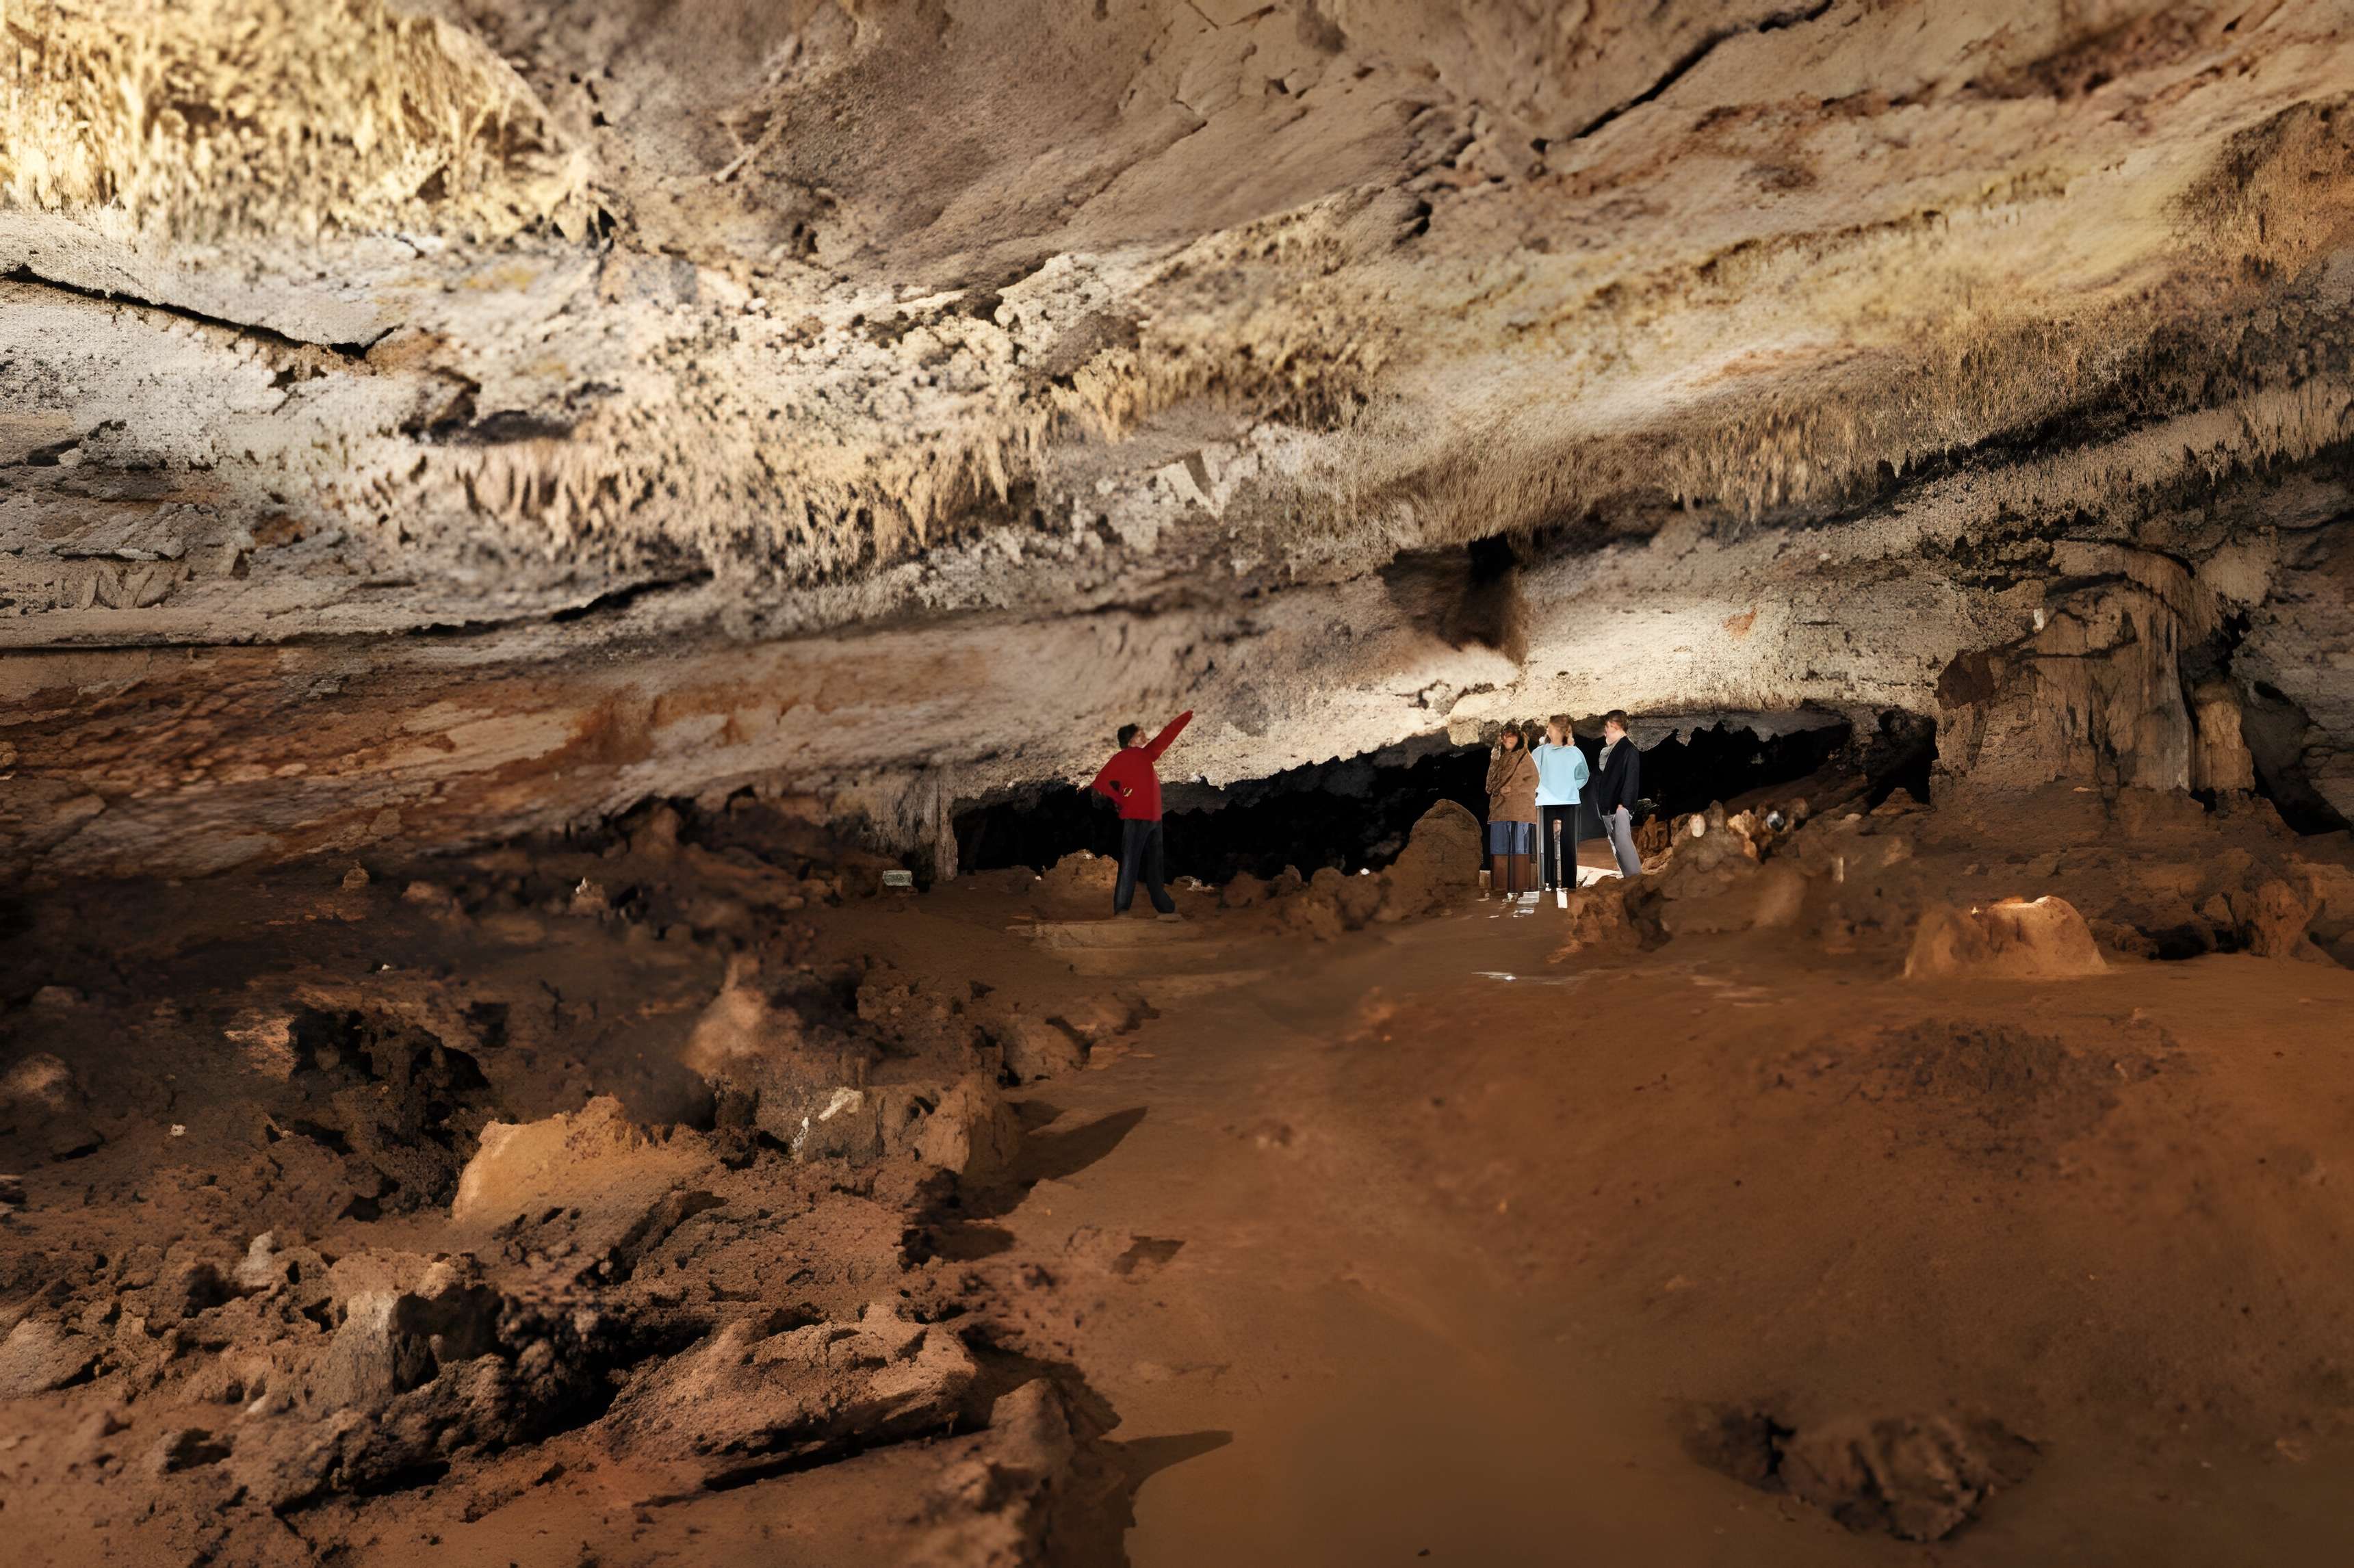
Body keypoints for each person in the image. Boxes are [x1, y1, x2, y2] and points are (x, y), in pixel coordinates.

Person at [1088, 710, 1192, 919]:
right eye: (1140, 734)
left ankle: (1165, 909)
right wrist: (1122, 799)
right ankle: (1122, 910)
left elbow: (1166, 737)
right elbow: (1100, 783)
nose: (1144, 736)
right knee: (1130, 863)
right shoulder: (1122, 757)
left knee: (1156, 865)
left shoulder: (1147, 755)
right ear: (1130, 740)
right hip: (1136, 817)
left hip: (1155, 819)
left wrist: (1186, 716)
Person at [1531, 714, 1590, 892]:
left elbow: (1583, 775)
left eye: (1551, 728)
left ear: (1561, 731)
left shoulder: (1574, 752)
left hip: (1567, 801)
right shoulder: (1540, 751)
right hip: (1546, 802)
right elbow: (1532, 776)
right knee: (1545, 845)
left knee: (1568, 844)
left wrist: (1571, 787)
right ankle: (1548, 882)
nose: (1548, 731)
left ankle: (1569, 884)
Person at [1484, 722, 1540, 898]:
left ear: (1519, 738)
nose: (1508, 739)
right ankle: (1500, 888)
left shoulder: (1525, 758)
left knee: (1519, 848)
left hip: (1519, 810)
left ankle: (1519, 887)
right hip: (1500, 810)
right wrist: (1494, 760)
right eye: (1506, 735)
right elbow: (1489, 786)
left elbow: (1533, 781)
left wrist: (1511, 789)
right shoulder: (1500, 759)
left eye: (1512, 735)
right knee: (1499, 848)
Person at [1593, 709, 1643, 878]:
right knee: (1617, 847)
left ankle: (1636, 880)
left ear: (1614, 726)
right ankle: (1629, 880)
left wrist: (1624, 805)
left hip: (1619, 807)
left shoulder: (1628, 749)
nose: (1605, 732)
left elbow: (1631, 778)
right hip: (1610, 807)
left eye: (1606, 727)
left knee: (1624, 845)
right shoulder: (1613, 749)